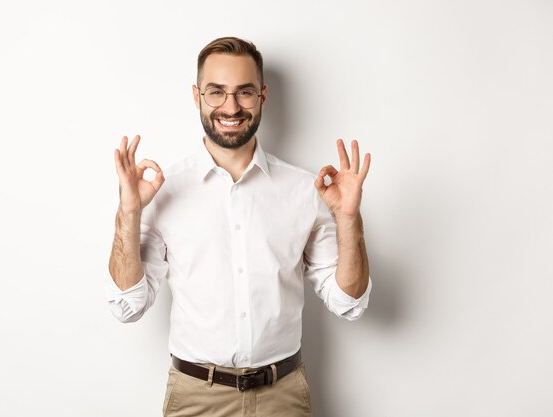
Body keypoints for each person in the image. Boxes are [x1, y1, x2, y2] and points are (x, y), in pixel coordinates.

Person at [104, 36, 372, 417]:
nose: (231, 107)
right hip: (196, 398)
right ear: (197, 96)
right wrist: (128, 213)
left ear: (263, 95)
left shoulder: (304, 190)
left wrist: (349, 220)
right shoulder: (162, 191)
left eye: (244, 92)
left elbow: (349, 303)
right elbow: (126, 306)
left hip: (284, 396)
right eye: (216, 92)